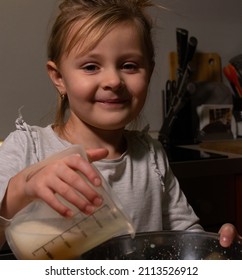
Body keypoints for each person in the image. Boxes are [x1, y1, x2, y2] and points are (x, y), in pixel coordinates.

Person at [0, 0, 239, 252]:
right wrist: (20, 190)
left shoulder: (151, 154)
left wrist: (215, 247)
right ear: (59, 77)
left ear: (149, 71)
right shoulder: (28, 148)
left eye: (129, 66)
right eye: (91, 66)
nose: (114, 80)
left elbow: (183, 236)